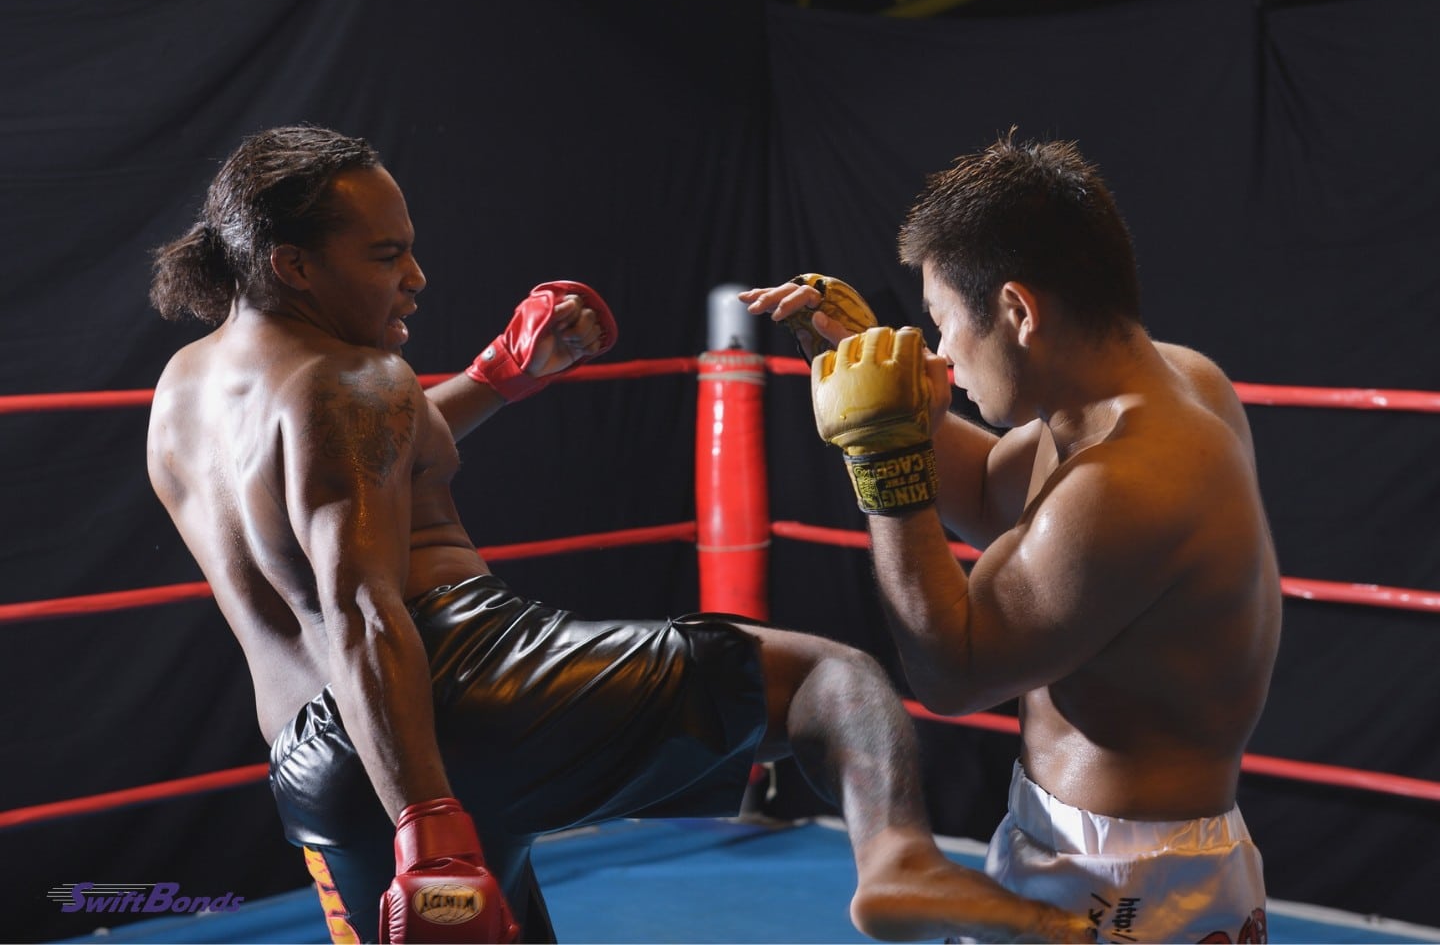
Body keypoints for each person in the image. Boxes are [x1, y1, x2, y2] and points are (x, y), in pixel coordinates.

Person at [144, 125, 1091, 944]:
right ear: (293, 264)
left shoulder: (184, 394)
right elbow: (359, 604)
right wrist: (430, 822)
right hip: (447, 693)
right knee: (828, 682)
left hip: (323, 772)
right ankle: (900, 863)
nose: (417, 278)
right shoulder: (354, 382)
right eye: (387, 256)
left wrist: (500, 379)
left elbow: (342, 462)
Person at [741, 131, 1280, 944]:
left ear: (1019, 310)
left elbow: (953, 674)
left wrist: (884, 464)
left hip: (1122, 880)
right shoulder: (1167, 385)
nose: (942, 354)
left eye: (944, 323)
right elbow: (998, 487)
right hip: (1112, 850)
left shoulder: (1129, 481)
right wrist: (865, 366)